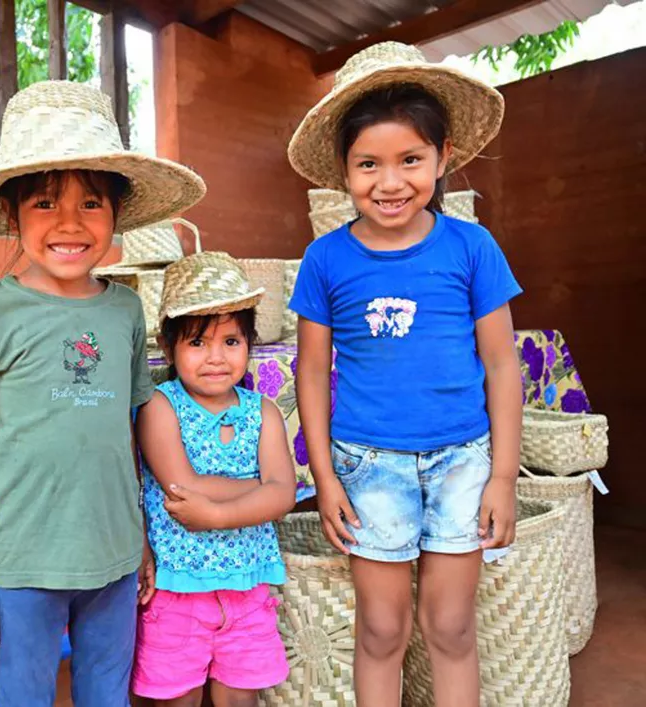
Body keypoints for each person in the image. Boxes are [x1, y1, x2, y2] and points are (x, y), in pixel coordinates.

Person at [0, 80, 206, 706]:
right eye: (46, 203)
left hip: (114, 560)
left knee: (108, 695)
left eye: (92, 203)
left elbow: (126, 431)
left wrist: (140, 541)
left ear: (118, 215)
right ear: (11, 213)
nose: (71, 224)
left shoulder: (125, 310)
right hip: (23, 566)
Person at [287, 42, 523, 707]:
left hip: (462, 463)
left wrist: (502, 475)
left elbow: (503, 364)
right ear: (344, 170)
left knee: (450, 624)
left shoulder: (472, 247)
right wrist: (325, 476)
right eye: (369, 164)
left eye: (410, 160)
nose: (389, 183)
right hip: (367, 465)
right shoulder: (324, 259)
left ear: (443, 157)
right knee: (381, 627)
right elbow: (311, 371)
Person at [132, 252, 296, 706]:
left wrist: (219, 513)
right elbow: (182, 485)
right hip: (176, 590)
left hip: (246, 590)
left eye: (231, 341)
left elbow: (284, 495)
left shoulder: (262, 412)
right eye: (198, 343)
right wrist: (260, 489)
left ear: (249, 344)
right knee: (176, 697)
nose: (216, 358)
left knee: (239, 698)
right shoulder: (160, 407)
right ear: (169, 348)